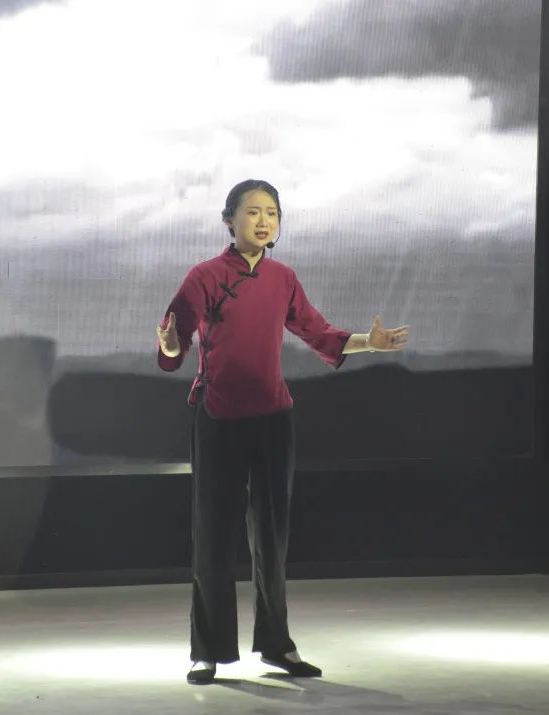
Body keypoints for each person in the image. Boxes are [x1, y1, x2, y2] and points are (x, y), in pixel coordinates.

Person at [155, 179, 410, 684]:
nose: (263, 221)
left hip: (273, 418)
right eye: (252, 211)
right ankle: (208, 651)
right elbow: (174, 341)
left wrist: (370, 342)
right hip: (219, 417)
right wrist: (167, 345)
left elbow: (318, 332)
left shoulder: (283, 277)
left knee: (271, 537)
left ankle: (277, 645)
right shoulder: (204, 276)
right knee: (214, 535)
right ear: (229, 220)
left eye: (271, 212)